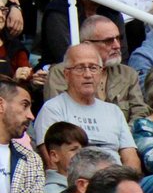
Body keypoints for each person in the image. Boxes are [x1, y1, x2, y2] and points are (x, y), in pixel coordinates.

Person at [34, 44, 140, 172]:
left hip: (115, 178)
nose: (88, 74)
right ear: (66, 74)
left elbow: (131, 160)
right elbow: (53, 163)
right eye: (80, 68)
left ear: (101, 73)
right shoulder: (53, 109)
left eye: (93, 68)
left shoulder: (114, 111)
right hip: (77, 180)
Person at [45, 15, 148, 124]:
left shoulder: (128, 74)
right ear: (87, 44)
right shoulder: (62, 72)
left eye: (118, 38)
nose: (117, 45)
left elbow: (139, 112)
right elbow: (58, 117)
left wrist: (123, 132)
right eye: (108, 41)